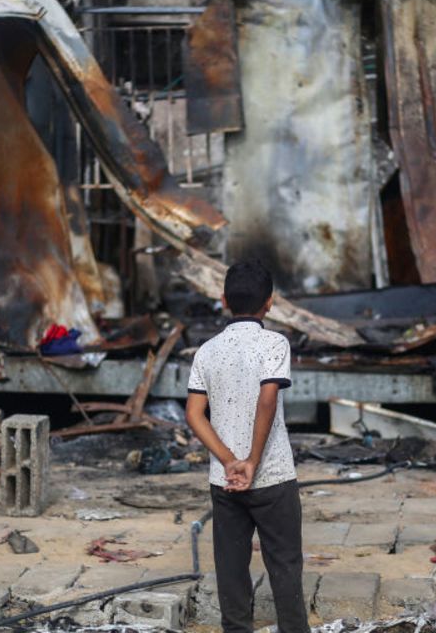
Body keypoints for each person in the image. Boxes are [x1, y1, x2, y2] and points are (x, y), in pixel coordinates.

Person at [185, 260, 305, 633]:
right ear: (270, 303)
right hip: (274, 476)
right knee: (285, 568)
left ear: (223, 300)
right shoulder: (274, 344)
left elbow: (194, 414)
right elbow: (267, 399)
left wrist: (229, 461)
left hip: (225, 482)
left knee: (231, 571)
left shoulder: (206, 351)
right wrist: (252, 460)